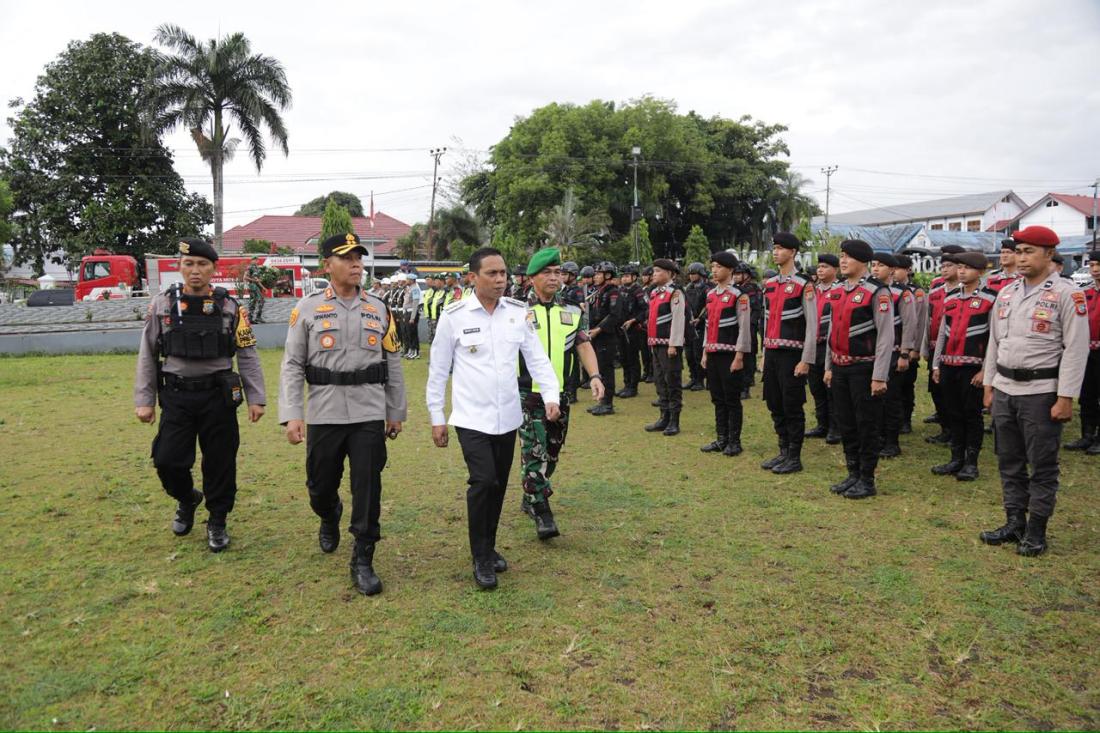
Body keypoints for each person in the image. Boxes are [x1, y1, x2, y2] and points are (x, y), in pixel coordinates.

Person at [426, 247, 561, 589]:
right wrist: (436, 416)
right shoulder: (454, 316)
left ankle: (488, 545)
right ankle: (481, 557)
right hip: (471, 418)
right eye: (492, 273)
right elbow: (438, 370)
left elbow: (537, 357)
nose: (500, 279)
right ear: (473, 277)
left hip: (508, 417)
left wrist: (551, 395)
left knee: (498, 486)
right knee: (483, 482)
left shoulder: (517, 312)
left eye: (503, 273)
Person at [279, 233, 406, 595]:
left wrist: (395, 411)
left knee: (368, 486)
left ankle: (363, 558)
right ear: (327, 266)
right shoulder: (307, 308)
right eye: (347, 258)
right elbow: (292, 364)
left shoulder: (378, 308)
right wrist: (292, 413)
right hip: (325, 411)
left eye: (358, 258)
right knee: (320, 486)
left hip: (368, 410)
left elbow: (393, 362)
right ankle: (328, 512)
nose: (356, 264)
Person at [134, 237, 266, 552]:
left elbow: (247, 353)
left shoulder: (230, 307)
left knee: (220, 463)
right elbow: (147, 353)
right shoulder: (162, 304)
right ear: (180, 267)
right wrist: (144, 400)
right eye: (189, 264)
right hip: (177, 396)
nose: (195, 270)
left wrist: (256, 397)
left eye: (202, 264)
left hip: (218, 398)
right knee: (167, 460)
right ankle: (187, 498)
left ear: (213, 269)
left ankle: (217, 520)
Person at [980, 226, 1089, 557]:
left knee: (1042, 465)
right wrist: (989, 384)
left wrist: (1066, 397)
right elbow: (995, 343)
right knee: (1009, 460)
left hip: (1041, 392)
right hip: (1004, 388)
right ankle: (1015, 522)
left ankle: (1036, 530)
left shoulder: (1068, 294)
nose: (1021, 258)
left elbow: (1076, 349)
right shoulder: (1007, 293)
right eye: (1019, 251)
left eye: (1029, 251)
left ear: (1049, 254)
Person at [517, 248, 605, 539]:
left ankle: (531, 491)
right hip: (527, 393)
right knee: (534, 451)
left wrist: (595, 376)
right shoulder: (516, 311)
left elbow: (583, 343)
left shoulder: (572, 311)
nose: (554, 277)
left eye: (558, 272)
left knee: (552, 451)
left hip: (561, 393)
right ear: (532, 278)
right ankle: (542, 510)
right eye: (547, 273)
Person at [823, 239, 895, 499]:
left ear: (863, 261)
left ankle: (867, 478)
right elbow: (832, 330)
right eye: (841, 256)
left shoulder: (877, 291)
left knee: (866, 424)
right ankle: (852, 473)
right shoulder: (838, 290)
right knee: (846, 423)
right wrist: (829, 366)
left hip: (864, 368)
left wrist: (879, 375)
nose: (842, 261)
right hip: (840, 367)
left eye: (848, 257)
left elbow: (886, 336)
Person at [930, 251, 997, 480]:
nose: (961, 271)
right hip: (948, 365)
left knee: (971, 414)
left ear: (981, 271)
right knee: (953, 412)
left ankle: (971, 462)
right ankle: (956, 458)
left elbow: (994, 337)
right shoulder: (950, 298)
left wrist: (985, 370)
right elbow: (942, 333)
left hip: (973, 367)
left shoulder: (991, 299)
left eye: (967, 268)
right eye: (959, 267)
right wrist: (936, 364)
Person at [760, 233, 818, 474]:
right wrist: (764, 353)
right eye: (774, 248)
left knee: (792, 404)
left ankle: (794, 456)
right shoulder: (770, 284)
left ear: (793, 252)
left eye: (781, 248)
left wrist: (806, 360)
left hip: (792, 354)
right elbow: (766, 322)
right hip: (772, 353)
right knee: (774, 402)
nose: (776, 252)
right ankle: (783, 450)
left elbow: (812, 325)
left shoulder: (804, 285)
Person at [699, 251, 752, 456]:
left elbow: (744, 328)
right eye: (712, 267)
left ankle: (734, 441)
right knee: (717, 398)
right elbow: (708, 325)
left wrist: (739, 356)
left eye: (718, 267)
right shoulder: (711, 295)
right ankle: (721, 438)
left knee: (732, 399)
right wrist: (705, 351)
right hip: (713, 352)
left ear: (730, 270)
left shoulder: (739, 295)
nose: (714, 270)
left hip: (730, 354)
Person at [872, 251, 918, 459]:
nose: (875, 269)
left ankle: (892, 441)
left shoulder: (902, 293)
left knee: (891, 398)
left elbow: (909, 324)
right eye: (873, 265)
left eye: (880, 265)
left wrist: (905, 353)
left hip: (895, 351)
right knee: (876, 400)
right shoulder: (871, 290)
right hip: (875, 352)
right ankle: (879, 437)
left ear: (891, 270)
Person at [922, 246, 964, 443]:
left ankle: (957, 432)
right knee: (936, 390)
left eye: (949, 266)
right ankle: (945, 428)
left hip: (956, 348)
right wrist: (924, 346)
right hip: (935, 347)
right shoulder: (936, 291)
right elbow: (928, 319)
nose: (945, 269)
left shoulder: (964, 291)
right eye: (943, 266)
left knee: (953, 393)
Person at [644, 259, 687, 436]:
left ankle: (674, 421)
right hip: (655, 343)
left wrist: (673, 344)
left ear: (670, 274)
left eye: (658, 271)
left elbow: (678, 319)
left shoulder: (674, 293)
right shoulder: (654, 293)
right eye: (654, 271)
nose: (654, 274)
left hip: (668, 345)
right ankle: (664, 417)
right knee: (660, 381)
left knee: (672, 382)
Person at [1067, 251, 1100, 455]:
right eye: (1093, 265)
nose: (1095, 269)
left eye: (1099, 265)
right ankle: (1087, 435)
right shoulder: (1084, 292)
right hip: (1086, 350)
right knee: (1087, 394)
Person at [806, 253, 840, 443]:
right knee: (816, 387)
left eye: (825, 267)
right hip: (813, 345)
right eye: (819, 266)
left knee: (831, 389)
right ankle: (822, 424)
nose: (820, 270)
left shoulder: (839, 290)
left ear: (835, 270)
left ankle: (836, 428)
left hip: (830, 346)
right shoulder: (812, 290)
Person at [586, 261, 621, 416]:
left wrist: (598, 329)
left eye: (599, 274)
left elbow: (614, 315)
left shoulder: (613, 292)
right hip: (596, 335)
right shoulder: (599, 291)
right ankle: (601, 400)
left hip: (606, 335)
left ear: (607, 275)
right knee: (599, 368)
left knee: (606, 370)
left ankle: (608, 403)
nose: (596, 276)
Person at [616, 264, 647, 398]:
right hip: (621, 329)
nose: (624, 278)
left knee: (632, 358)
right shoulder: (620, 290)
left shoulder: (638, 291)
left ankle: (633, 387)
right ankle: (626, 384)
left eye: (627, 276)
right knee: (623, 358)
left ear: (634, 277)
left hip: (634, 330)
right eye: (622, 276)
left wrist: (634, 320)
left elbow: (646, 309)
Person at [683, 262, 710, 391]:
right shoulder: (688, 288)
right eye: (690, 274)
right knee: (689, 354)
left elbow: (709, 306)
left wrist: (700, 318)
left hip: (701, 325)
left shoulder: (707, 289)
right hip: (689, 324)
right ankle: (693, 378)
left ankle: (700, 380)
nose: (691, 276)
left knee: (698, 353)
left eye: (694, 273)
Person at [640, 266, 655, 383]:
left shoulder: (653, 288)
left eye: (646, 275)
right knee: (644, 351)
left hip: (651, 321)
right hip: (643, 323)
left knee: (651, 351)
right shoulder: (643, 289)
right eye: (643, 275)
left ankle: (652, 372)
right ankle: (646, 371)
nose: (643, 277)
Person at [402, 273, 422, 358]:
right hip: (407, 312)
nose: (406, 281)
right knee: (408, 333)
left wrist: (412, 317)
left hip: (412, 313)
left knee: (413, 333)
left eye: (407, 279)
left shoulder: (415, 289)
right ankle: (411, 349)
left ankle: (416, 351)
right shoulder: (409, 288)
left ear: (412, 280)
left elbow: (415, 304)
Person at [245, 256, 266, 323]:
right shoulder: (250, 267)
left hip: (257, 286)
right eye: (255, 260)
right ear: (252, 260)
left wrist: (262, 287)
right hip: (252, 286)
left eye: (257, 260)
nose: (257, 261)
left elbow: (257, 280)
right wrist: (253, 280)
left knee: (254, 301)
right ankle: (256, 317)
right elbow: (245, 277)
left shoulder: (257, 268)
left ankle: (251, 318)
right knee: (259, 300)